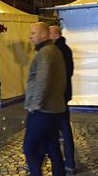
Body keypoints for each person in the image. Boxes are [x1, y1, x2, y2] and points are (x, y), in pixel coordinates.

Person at [23, 22, 67, 176]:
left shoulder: (46, 52)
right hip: (53, 110)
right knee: (52, 147)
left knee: (29, 148)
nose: (30, 37)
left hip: (43, 110)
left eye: (33, 33)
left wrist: (35, 105)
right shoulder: (53, 50)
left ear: (43, 34)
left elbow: (43, 80)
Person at [50, 25, 76, 174]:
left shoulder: (57, 50)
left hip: (57, 96)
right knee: (64, 127)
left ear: (55, 35)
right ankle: (69, 162)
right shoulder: (66, 49)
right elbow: (70, 72)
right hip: (64, 95)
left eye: (50, 33)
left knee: (60, 129)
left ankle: (65, 163)